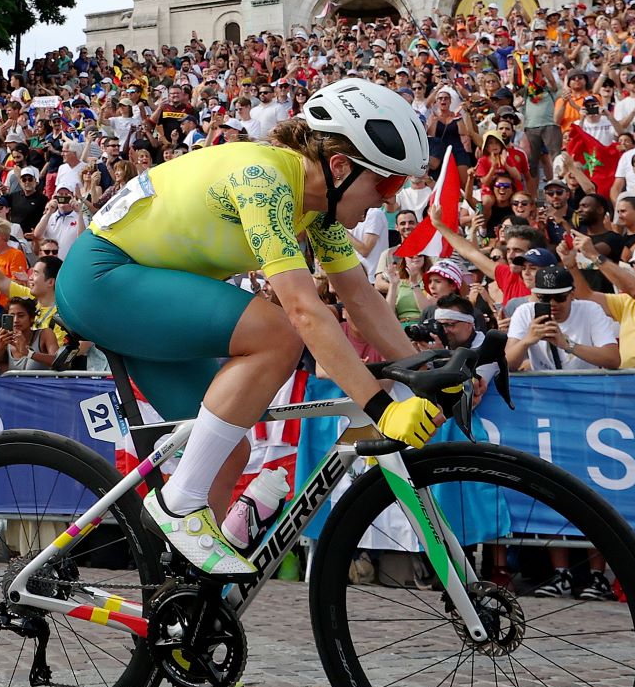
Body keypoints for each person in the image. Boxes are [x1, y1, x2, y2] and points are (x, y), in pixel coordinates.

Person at [52, 77, 439, 574]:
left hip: (138, 285)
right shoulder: (264, 178)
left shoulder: (318, 208)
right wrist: (381, 405)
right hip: (102, 278)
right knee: (277, 333)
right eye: (386, 184)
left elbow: (360, 297)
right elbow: (302, 311)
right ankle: (177, 505)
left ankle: (184, 600)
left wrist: (421, 370)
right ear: (340, 167)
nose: (389, 202)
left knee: (228, 450)